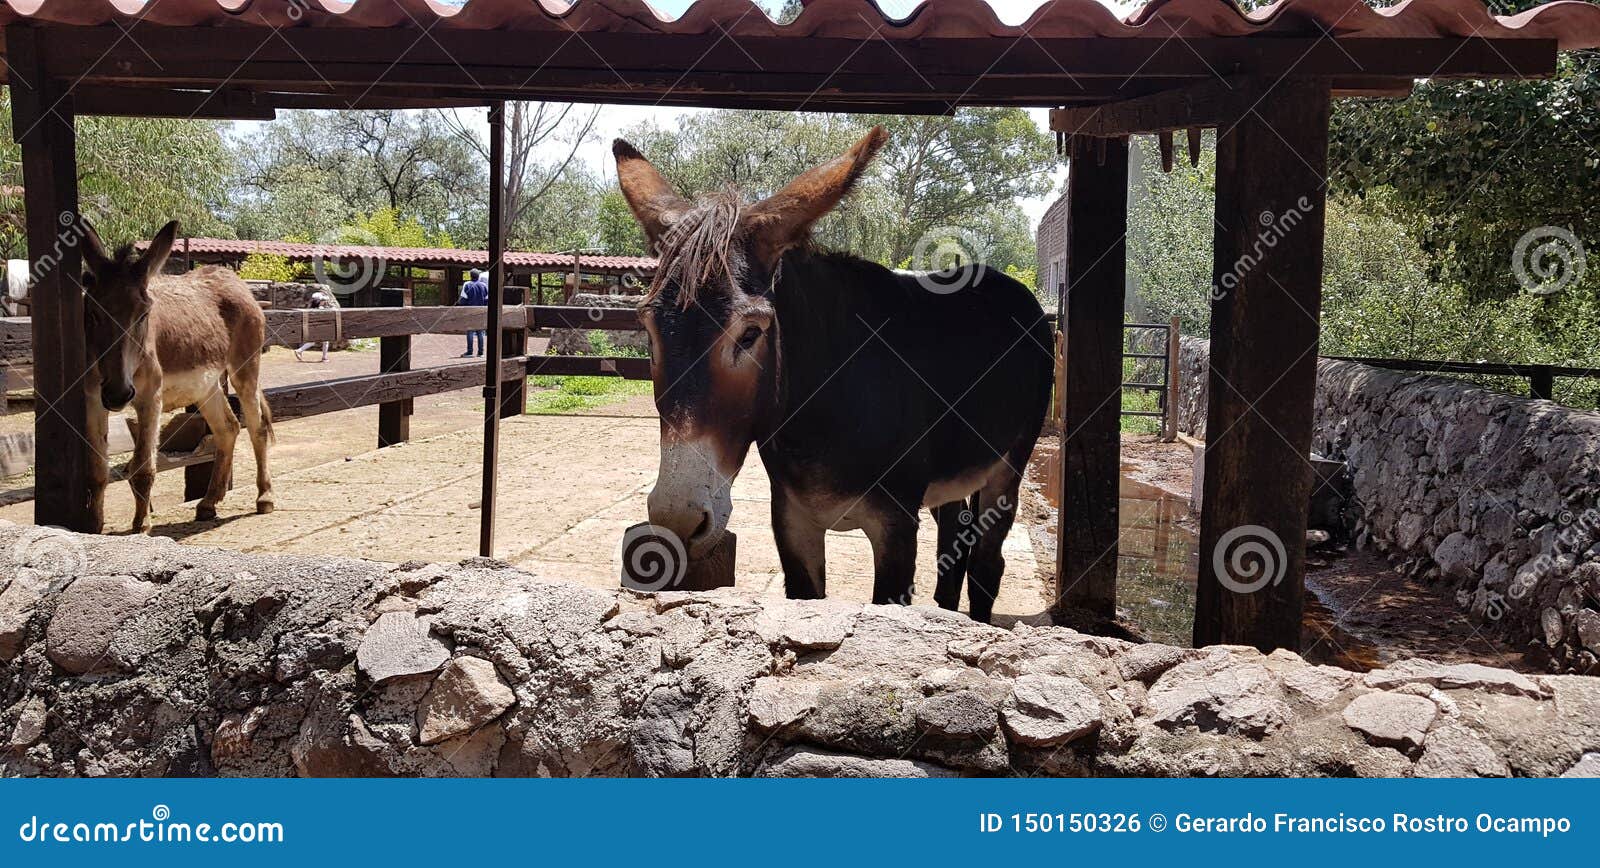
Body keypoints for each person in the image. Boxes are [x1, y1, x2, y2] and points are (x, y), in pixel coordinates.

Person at [295, 288, 337, 362]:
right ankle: (300, 351)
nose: (324, 302)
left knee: (321, 341)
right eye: (323, 301)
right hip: (317, 327)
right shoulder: (319, 308)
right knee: (320, 341)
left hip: (316, 327)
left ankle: (300, 351)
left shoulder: (314, 308)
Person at [459, 268, 489, 357]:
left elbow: (463, 300)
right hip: (481, 312)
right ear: (478, 276)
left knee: (470, 332)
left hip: (470, 311)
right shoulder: (484, 286)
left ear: (470, 276)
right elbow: (487, 300)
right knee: (480, 332)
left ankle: (470, 351)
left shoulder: (467, 284)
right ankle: (480, 352)